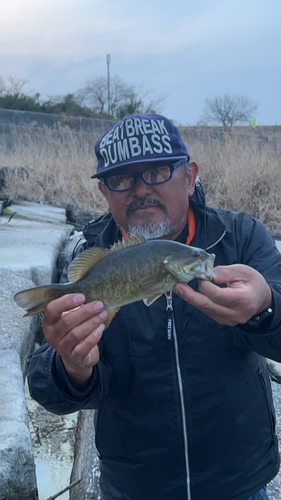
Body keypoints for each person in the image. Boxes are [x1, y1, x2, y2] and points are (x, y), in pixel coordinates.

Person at [27, 113, 281, 500]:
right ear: (104, 193)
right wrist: (72, 367)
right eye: (121, 178)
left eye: (158, 171)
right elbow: (47, 387)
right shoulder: (89, 257)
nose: (140, 189)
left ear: (190, 175)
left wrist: (265, 307)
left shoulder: (241, 238)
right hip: (134, 488)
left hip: (238, 483)